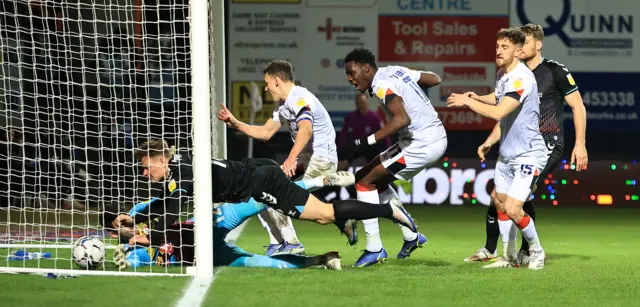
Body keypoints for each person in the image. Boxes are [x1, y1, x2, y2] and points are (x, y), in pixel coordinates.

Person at [132, 139, 416, 249]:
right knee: (321, 215)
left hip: (261, 183)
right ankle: (340, 212)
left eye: (146, 167)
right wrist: (136, 218)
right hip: (258, 172)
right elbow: (165, 203)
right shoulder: (180, 164)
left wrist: (145, 236)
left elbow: (169, 212)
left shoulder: (180, 174)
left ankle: (388, 210)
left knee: (323, 214)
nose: (145, 174)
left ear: (159, 159)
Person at [462, 24, 588, 266]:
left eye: (524, 43)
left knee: (517, 200)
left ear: (538, 44)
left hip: (546, 144)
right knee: (502, 199)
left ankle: (525, 252)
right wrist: (490, 139)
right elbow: (506, 110)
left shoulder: (554, 71)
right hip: (517, 144)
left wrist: (580, 144)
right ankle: (506, 252)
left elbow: (578, 106)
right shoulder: (511, 73)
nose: (518, 48)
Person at [446, 27, 547, 270]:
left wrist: (467, 101)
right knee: (499, 201)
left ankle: (537, 251)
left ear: (519, 51)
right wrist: (480, 97)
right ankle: (509, 256)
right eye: (497, 46)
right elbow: (499, 97)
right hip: (507, 154)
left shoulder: (522, 77)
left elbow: (500, 112)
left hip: (528, 154)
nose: (499, 51)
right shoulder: (503, 73)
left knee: (513, 208)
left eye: (505, 47)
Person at [102, 174, 353, 270]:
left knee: (264, 198)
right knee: (261, 263)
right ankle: (321, 260)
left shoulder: (138, 213)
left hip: (208, 225)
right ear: (115, 233)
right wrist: (126, 259)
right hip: (204, 255)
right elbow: (138, 259)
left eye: (122, 220)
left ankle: (321, 181)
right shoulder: (132, 248)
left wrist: (138, 227)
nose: (126, 225)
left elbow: (163, 205)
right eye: (119, 227)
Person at [218, 60, 338, 256]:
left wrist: (291, 157)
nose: (266, 89)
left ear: (276, 80)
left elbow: (305, 129)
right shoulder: (283, 105)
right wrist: (235, 123)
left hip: (321, 160)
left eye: (266, 83)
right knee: (260, 187)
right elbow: (265, 133)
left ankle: (292, 242)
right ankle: (279, 242)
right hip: (306, 160)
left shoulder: (300, 98)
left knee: (273, 190)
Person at [343, 48, 445, 267]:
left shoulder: (381, 84)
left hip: (422, 143)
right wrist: (409, 82)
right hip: (422, 138)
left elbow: (401, 119)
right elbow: (435, 79)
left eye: (352, 73)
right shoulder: (395, 71)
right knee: (366, 176)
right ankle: (411, 236)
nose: (350, 79)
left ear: (367, 69)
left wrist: (366, 141)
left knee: (363, 182)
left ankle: (375, 248)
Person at [336, 93, 390, 198]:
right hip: (354, 147)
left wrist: (388, 149)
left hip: (370, 148)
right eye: (359, 103)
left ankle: (379, 193)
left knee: (378, 168)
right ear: (356, 104)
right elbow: (343, 136)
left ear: (367, 103)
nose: (361, 105)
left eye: (363, 103)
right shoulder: (350, 118)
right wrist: (340, 153)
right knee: (340, 168)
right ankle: (345, 194)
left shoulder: (375, 118)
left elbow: (384, 134)